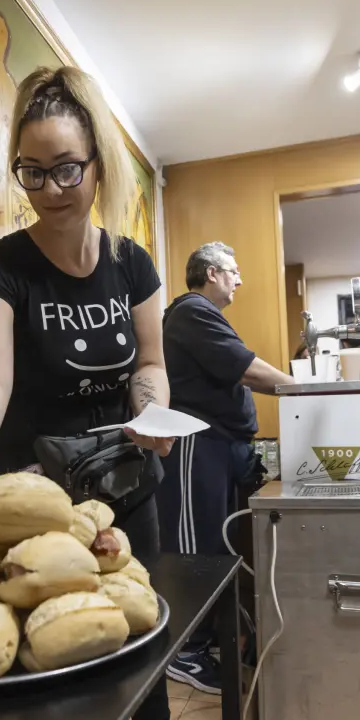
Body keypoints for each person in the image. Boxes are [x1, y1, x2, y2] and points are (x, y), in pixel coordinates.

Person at [0, 65, 222, 720]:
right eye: (32, 171)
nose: (50, 188)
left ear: (97, 165)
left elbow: (149, 364)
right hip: (38, 495)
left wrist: (152, 415)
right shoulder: (5, 266)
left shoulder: (130, 263)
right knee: (47, 639)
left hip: (125, 478)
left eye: (65, 169)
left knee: (141, 617)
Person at [157, 242, 293, 691]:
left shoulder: (203, 315)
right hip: (197, 444)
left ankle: (207, 638)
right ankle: (184, 651)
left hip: (220, 445)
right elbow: (247, 370)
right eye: (233, 271)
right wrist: (305, 389)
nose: (239, 279)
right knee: (196, 549)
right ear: (212, 272)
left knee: (217, 545)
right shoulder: (192, 311)